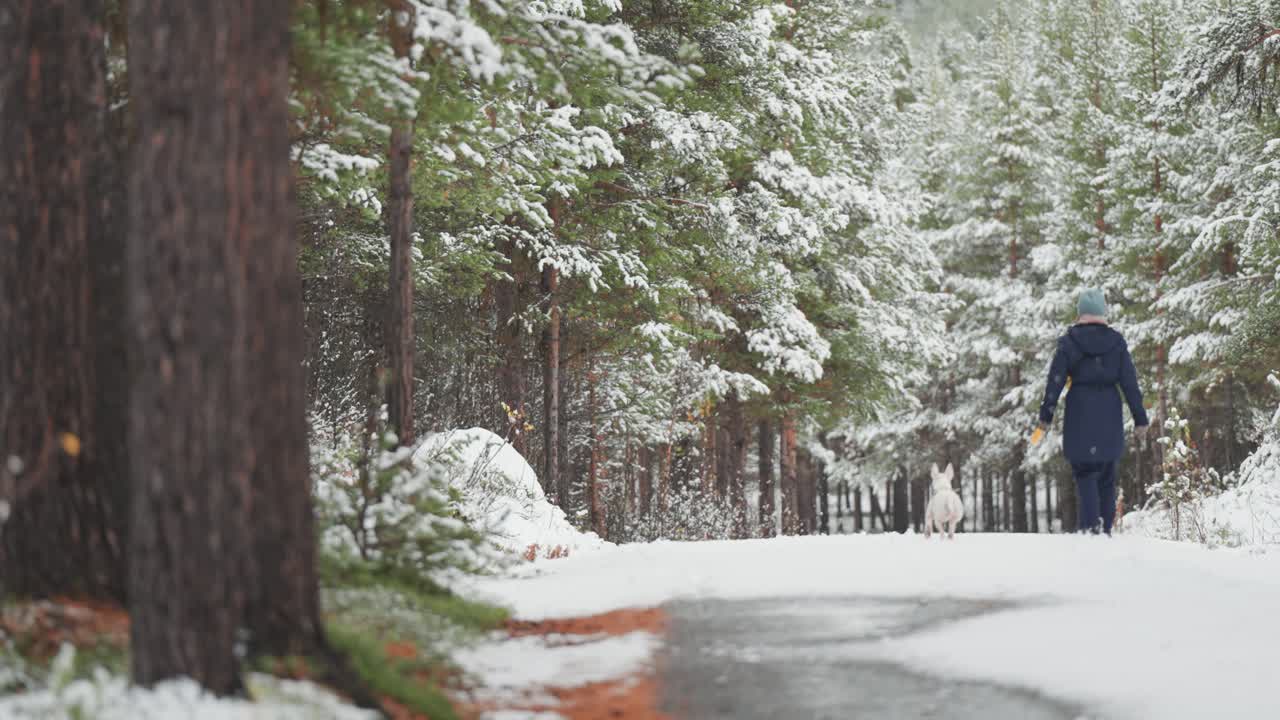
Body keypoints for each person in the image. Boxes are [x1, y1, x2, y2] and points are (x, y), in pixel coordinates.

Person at [1036, 288, 1150, 534]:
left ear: (1080, 313)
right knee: (1107, 475)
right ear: (1103, 312)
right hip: (1109, 411)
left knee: (1085, 472)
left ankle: (1090, 529)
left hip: (1080, 411)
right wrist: (1140, 419)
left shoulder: (1069, 342)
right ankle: (1105, 530)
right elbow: (1129, 383)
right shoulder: (1116, 343)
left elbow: (1055, 381)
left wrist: (1046, 415)